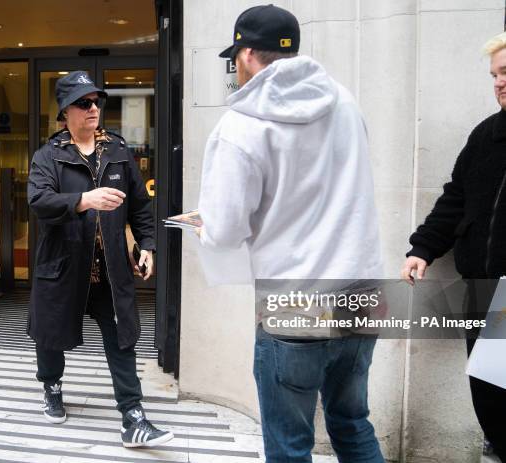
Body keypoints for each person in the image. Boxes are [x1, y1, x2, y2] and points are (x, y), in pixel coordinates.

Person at [197, 5, 385, 462]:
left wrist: (205, 223)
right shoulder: (343, 100)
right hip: (362, 289)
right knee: (352, 422)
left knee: (289, 444)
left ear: (244, 55)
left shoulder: (240, 125)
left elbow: (223, 231)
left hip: (296, 300)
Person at [27, 71, 173, 448]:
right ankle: (52, 387)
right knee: (51, 334)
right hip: (63, 265)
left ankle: (133, 414)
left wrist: (147, 245)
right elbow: (40, 202)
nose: (93, 109)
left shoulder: (118, 151)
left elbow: (141, 205)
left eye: (96, 101)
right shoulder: (48, 156)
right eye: (83, 102)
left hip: (110, 267)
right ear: (65, 111)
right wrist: (83, 200)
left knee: (121, 337)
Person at [401, 31, 506, 463]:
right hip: (487, 294)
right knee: (492, 395)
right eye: (495, 75)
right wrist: (423, 248)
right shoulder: (487, 135)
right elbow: (455, 198)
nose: (500, 82)